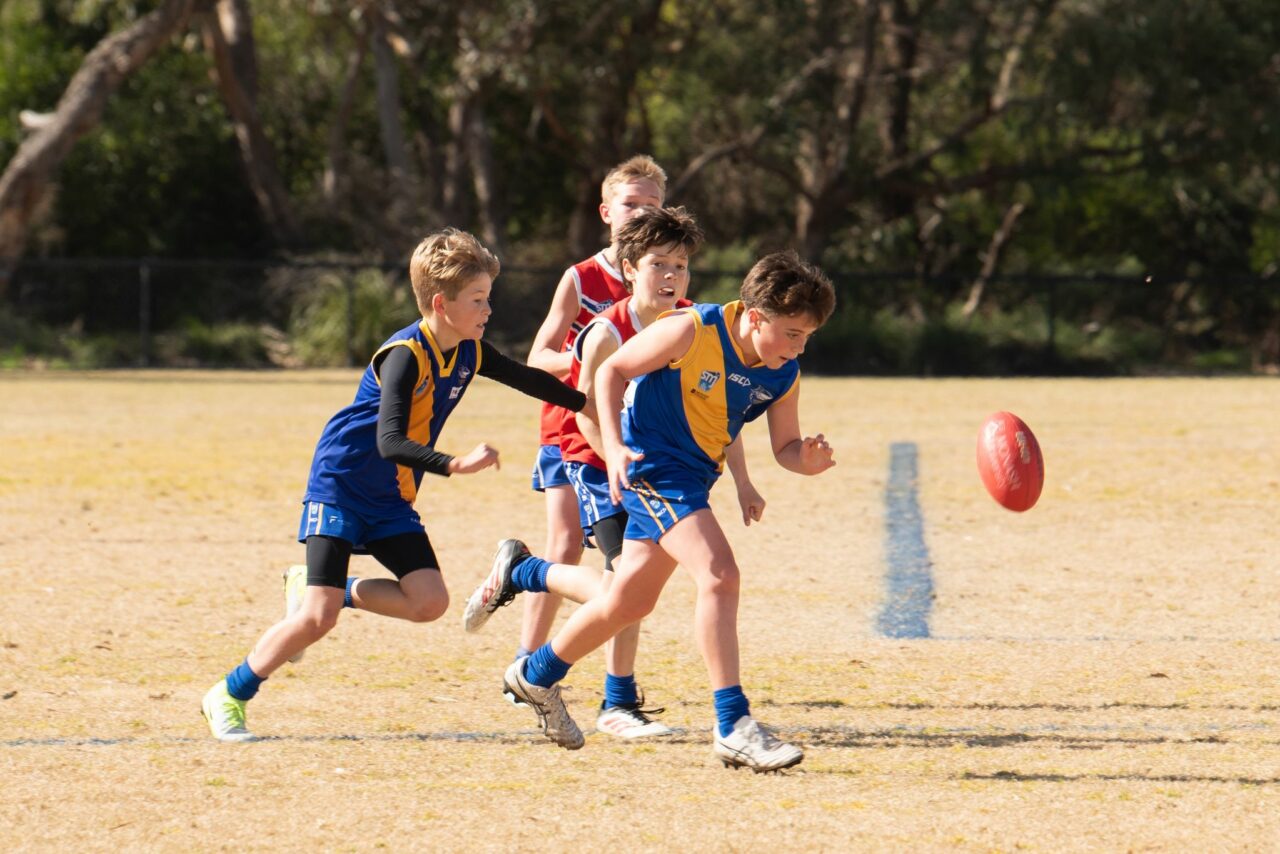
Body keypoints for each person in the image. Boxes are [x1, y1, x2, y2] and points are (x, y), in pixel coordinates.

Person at [199, 228, 589, 742]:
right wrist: (454, 464)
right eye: (477, 299)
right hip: (341, 484)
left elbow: (529, 379)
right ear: (441, 304)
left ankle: (335, 590)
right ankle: (229, 694)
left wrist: (591, 401)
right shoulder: (405, 354)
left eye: (488, 297)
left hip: (391, 496)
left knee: (429, 603)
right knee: (317, 618)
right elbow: (389, 441)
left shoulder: (470, 350)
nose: (488, 309)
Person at [499, 250, 837, 770]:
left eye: (807, 336)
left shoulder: (783, 372)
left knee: (627, 601)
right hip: (651, 469)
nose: (799, 347)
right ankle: (733, 724)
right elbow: (610, 372)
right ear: (754, 317)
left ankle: (535, 675)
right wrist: (614, 449)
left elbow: (785, 446)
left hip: (695, 479)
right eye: (792, 333)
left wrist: (805, 461)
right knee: (720, 574)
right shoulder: (691, 329)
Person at [462, 205, 766, 740]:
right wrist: (618, 459)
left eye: (680, 266)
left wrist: (742, 479)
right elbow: (586, 411)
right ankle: (614, 699)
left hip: (652, 469)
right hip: (597, 463)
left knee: (628, 592)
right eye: (658, 264)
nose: (671, 276)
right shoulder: (605, 333)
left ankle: (527, 576)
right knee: (624, 585)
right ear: (629, 269)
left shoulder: (694, 324)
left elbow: (720, 409)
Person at [516, 155, 667, 685]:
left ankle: (610, 688)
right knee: (564, 544)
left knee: (624, 561)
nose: (641, 213)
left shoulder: (665, 277)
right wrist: (595, 358)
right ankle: (526, 659)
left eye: (652, 204)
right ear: (606, 212)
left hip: (628, 432)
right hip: (570, 426)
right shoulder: (581, 278)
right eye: (631, 204)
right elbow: (538, 358)